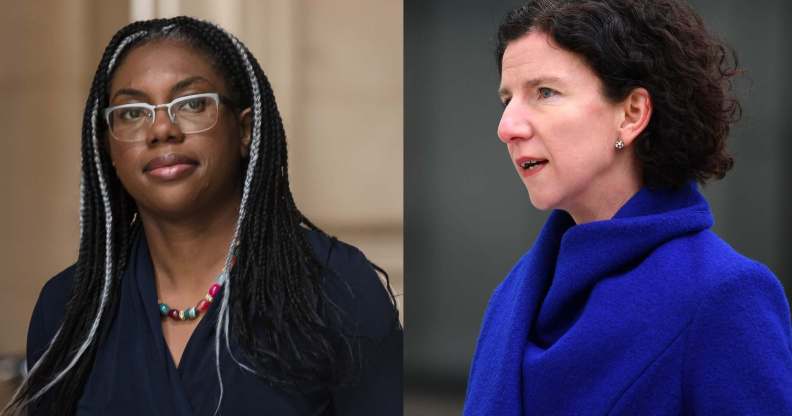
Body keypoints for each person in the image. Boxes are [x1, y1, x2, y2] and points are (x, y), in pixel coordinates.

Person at [3, 16, 401, 416]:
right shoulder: (68, 309)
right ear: (108, 147)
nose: (161, 129)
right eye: (132, 112)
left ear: (244, 129)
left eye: (191, 104)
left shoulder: (335, 288)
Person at [464, 1, 792, 415]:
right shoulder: (512, 296)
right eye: (507, 100)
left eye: (545, 92)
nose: (507, 127)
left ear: (632, 114)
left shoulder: (724, 294)